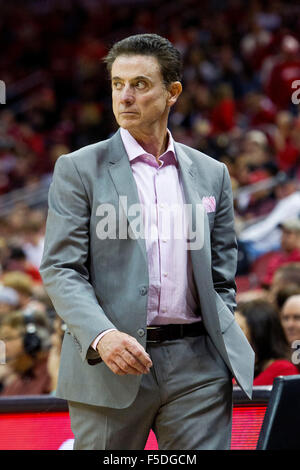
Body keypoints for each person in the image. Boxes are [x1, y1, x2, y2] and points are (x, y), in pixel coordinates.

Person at [39, 33, 254, 451]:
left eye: (139, 84)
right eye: (118, 84)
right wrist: (102, 335)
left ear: (172, 92)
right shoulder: (78, 168)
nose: (125, 96)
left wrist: (218, 324)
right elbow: (61, 268)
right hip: (109, 362)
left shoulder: (213, 173)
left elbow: (221, 274)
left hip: (198, 367)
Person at [235, 300, 298, 386]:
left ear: (257, 332)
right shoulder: (239, 369)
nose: (233, 335)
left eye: (240, 328)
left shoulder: (284, 370)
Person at [0, 308, 52, 396]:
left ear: (31, 341)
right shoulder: (19, 378)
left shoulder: (51, 374)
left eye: (8, 338)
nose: (3, 346)